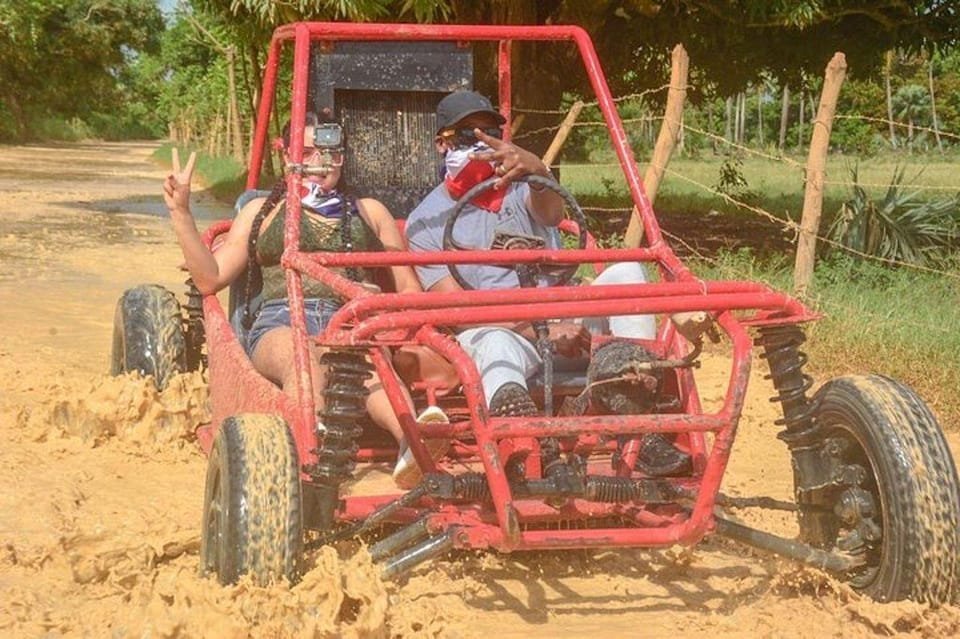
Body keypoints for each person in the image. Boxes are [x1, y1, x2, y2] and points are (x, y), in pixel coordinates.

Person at [404, 90, 692, 477]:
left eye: (489, 132)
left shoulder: (526, 189)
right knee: (491, 342)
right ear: (443, 144)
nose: (480, 144)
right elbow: (459, 312)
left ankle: (636, 427)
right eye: (467, 136)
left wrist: (538, 170)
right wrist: (543, 329)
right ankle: (520, 442)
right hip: (505, 330)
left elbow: (552, 213)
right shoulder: (426, 221)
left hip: (566, 314)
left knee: (627, 270)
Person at [162, 113, 442, 487]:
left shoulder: (369, 211)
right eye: (306, 152)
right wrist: (181, 212)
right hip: (279, 320)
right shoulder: (260, 210)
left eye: (328, 152)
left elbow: (409, 289)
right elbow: (210, 277)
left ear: (341, 156)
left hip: (350, 321)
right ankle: (309, 458)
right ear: (287, 156)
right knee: (302, 358)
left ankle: (414, 444)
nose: (318, 162)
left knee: (373, 367)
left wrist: (379, 303)